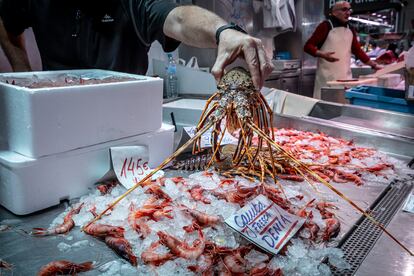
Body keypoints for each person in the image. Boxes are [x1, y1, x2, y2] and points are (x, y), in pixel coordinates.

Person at [0, 0, 273, 89]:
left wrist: (222, 30)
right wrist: (22, 74)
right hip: (55, 115)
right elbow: (6, 22)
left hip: (124, 123)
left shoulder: (132, 2)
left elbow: (178, 17)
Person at [304, 1, 381, 99]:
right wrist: (322, 54)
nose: (348, 13)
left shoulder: (350, 28)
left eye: (349, 10)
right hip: (327, 79)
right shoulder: (326, 26)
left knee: (343, 106)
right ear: (334, 12)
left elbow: (357, 51)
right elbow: (308, 46)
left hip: (346, 79)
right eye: (344, 9)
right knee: (326, 106)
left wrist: (374, 65)